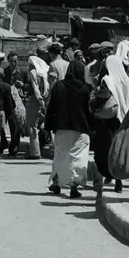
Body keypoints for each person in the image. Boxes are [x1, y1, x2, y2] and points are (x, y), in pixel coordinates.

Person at [88, 52, 129, 197]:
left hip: (107, 122)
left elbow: (101, 98)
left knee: (103, 152)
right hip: (124, 121)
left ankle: (100, 185)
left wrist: (92, 103)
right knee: (117, 151)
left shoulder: (107, 81)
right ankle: (118, 180)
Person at [44, 57, 93, 198]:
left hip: (61, 128)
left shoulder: (58, 86)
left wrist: (47, 127)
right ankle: (73, 186)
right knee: (77, 157)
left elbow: (51, 108)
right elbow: (90, 111)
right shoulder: (87, 89)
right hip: (81, 128)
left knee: (60, 156)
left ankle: (56, 183)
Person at [23, 49, 50, 160]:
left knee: (32, 125)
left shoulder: (33, 72)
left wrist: (39, 100)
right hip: (45, 99)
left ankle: (34, 152)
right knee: (43, 123)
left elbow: (35, 87)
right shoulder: (44, 71)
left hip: (35, 100)